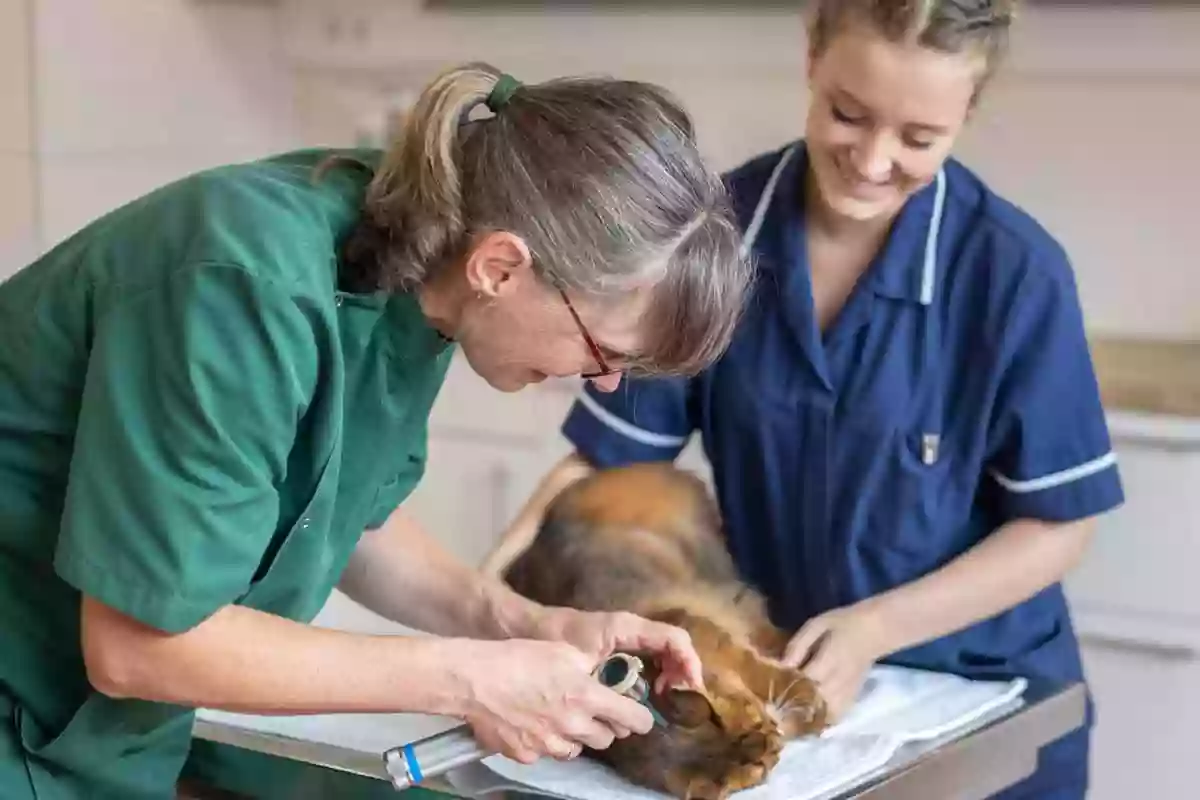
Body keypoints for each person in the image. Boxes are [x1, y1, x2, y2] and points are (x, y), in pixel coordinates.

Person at [0, 62, 755, 800]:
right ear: (501, 267)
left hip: (111, 721)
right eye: (604, 353)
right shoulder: (241, 286)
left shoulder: (418, 270)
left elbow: (345, 511)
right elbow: (138, 646)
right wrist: (468, 682)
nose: (606, 384)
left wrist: (523, 624)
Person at [486, 2, 1124, 798]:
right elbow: (604, 468)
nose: (872, 159)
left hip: (981, 696)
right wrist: (491, 612)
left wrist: (878, 627)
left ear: (968, 114)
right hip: (783, 689)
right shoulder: (715, 237)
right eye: (848, 115)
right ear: (813, 57)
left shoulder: (1014, 274)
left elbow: (1058, 525)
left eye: (919, 139)